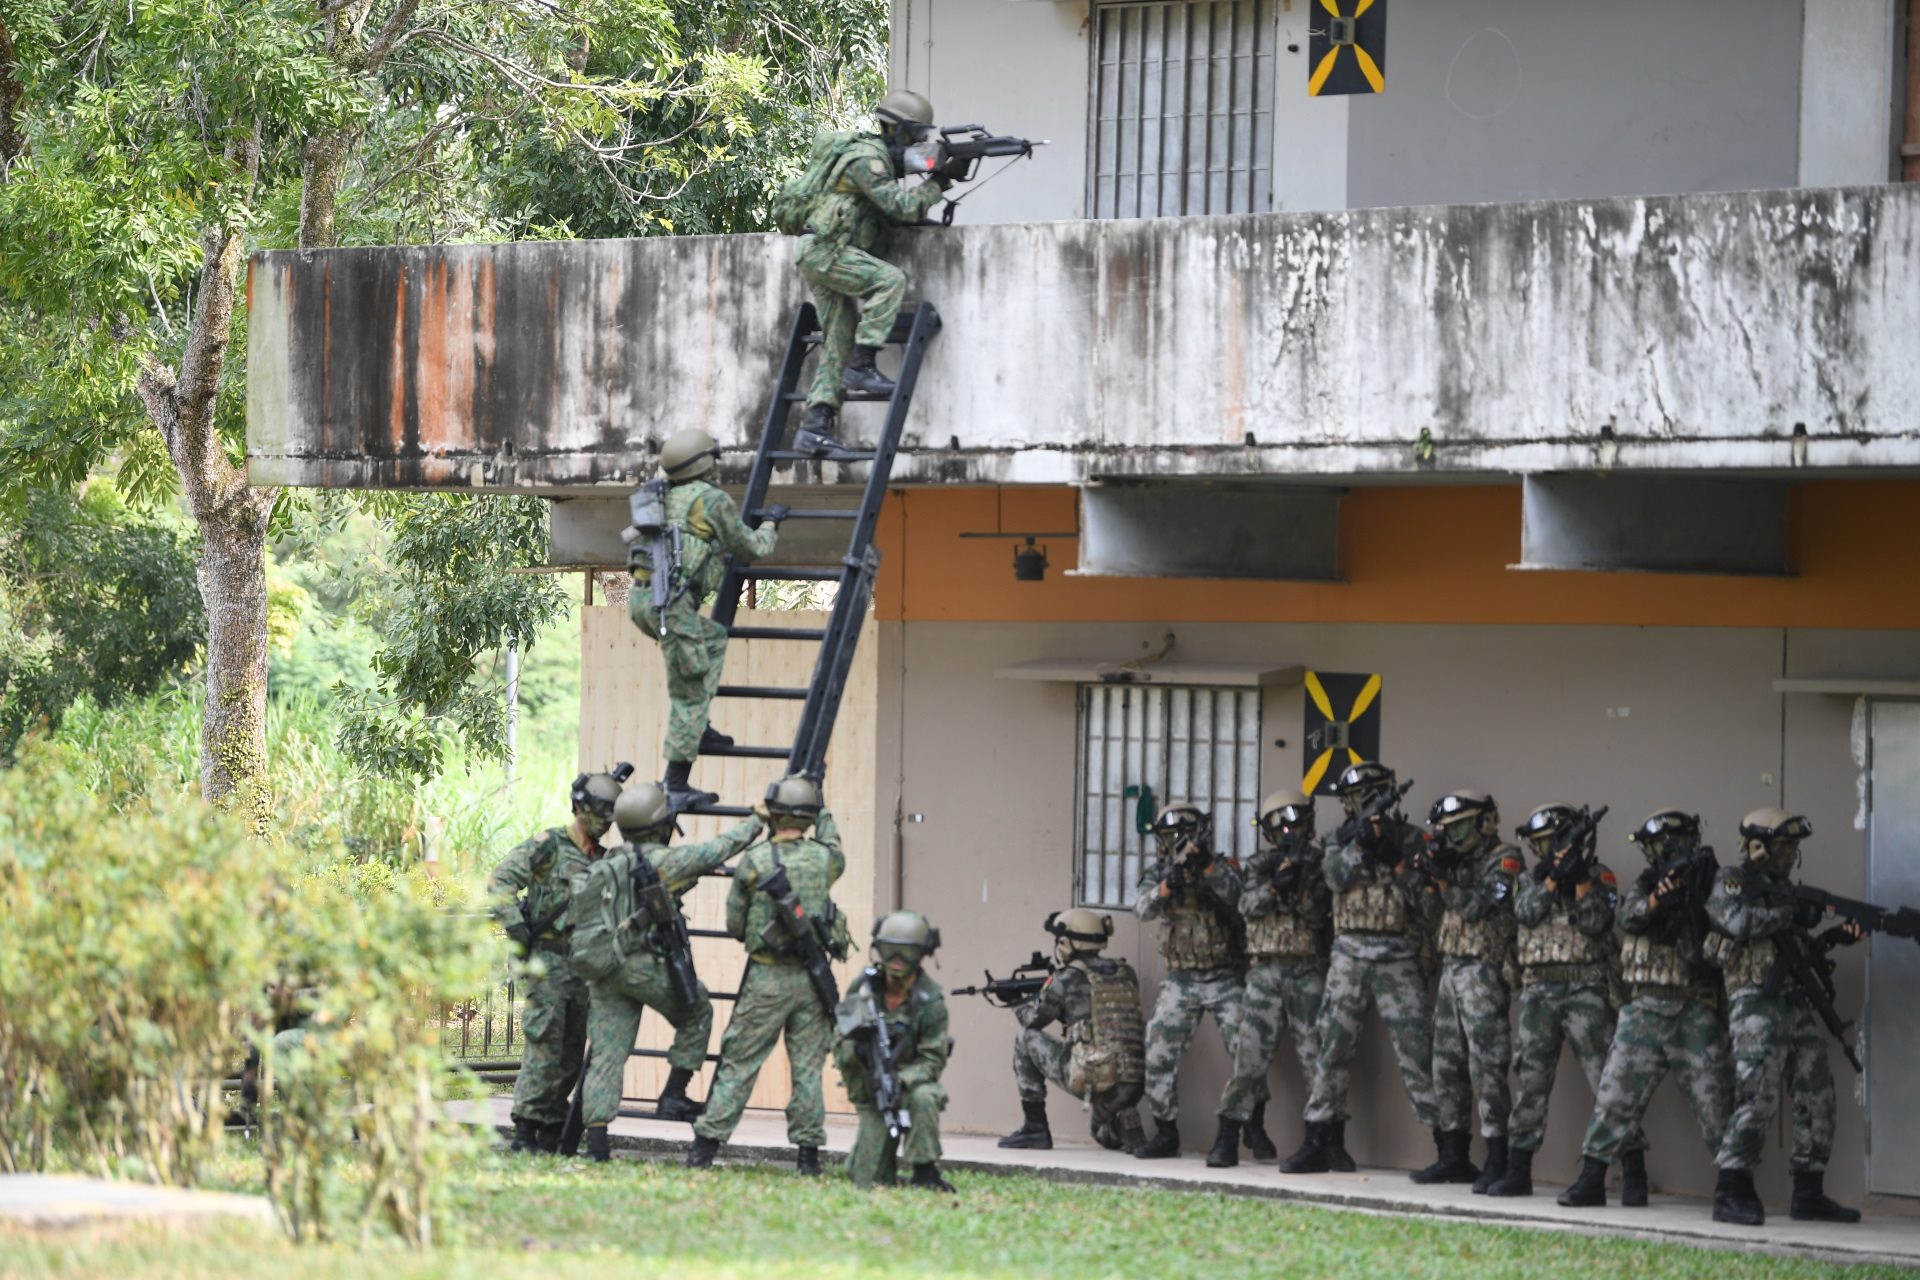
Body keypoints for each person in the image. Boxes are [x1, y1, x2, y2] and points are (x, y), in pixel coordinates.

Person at [567, 783, 765, 1162]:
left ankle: (597, 1144)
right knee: (697, 1010)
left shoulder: (608, 862)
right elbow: (718, 849)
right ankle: (674, 1094)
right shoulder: (663, 861)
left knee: (607, 1054)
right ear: (660, 825)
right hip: (642, 965)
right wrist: (756, 821)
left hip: (604, 967)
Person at [1561, 808, 1731, 1208]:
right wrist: (1658, 901)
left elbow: (1721, 929)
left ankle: (1732, 1186)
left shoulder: (1713, 881)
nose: (1658, 853)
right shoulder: (1645, 883)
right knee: (1613, 1097)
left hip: (1692, 1009)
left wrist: (1692, 901)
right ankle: (1592, 1178)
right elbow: (1628, 916)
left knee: (1716, 1104)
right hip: (1644, 1009)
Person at [1704, 808, 1864, 1226]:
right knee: (1757, 1096)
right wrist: (1790, 912)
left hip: (1794, 1003)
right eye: (1784, 846)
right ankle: (1730, 1190)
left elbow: (1793, 950)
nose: (1791, 854)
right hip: (1755, 1004)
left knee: (1818, 1094)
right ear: (1758, 846)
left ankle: (1808, 1192)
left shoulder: (1784, 891)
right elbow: (1735, 920)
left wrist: (1834, 936)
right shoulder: (1732, 881)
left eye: (1794, 847)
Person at [1284, 762, 1441, 1176]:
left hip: (1398, 952)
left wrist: (1394, 858)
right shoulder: (1337, 839)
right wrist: (1359, 845)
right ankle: (1318, 1139)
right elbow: (1334, 879)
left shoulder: (1410, 839)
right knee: (1332, 1048)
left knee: (1417, 1050)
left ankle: (1448, 1146)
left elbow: (1429, 903)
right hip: (1349, 953)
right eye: (1356, 798)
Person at [688, 776, 850, 1173]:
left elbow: (734, 924)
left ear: (774, 815)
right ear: (809, 817)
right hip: (812, 980)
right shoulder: (825, 861)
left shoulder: (756, 861)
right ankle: (808, 1157)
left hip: (766, 977)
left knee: (739, 1063)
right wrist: (821, 806)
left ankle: (704, 1151)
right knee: (808, 1069)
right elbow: (833, 843)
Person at [627, 426, 787, 811]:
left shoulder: (663, 496)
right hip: (672, 607)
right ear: (703, 465)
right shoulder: (710, 499)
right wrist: (772, 524)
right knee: (691, 691)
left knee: (713, 637)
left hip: (644, 601)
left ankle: (698, 729)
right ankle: (675, 785)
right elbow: (752, 548)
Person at [1487, 803, 1640, 1197]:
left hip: (1586, 988)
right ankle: (1518, 1168)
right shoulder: (1528, 880)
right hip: (1539, 992)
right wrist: (1554, 878)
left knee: (1607, 1081)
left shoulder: (1599, 877)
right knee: (1531, 1080)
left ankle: (1633, 1169)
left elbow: (1597, 923)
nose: (1544, 850)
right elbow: (1525, 912)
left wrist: (1581, 880)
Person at [789, 90, 950, 459]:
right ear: (898, 130)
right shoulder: (868, 159)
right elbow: (900, 205)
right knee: (890, 280)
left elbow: (887, 213)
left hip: (821, 250)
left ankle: (814, 428)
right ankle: (861, 364)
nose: (917, 144)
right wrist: (938, 184)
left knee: (837, 338)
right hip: (827, 251)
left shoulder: (872, 157)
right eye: (915, 136)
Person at [489, 768, 626, 1154]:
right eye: (598, 814)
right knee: (544, 1043)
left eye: (609, 816)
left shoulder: (604, 860)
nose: (604, 823)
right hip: (547, 961)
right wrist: (517, 930)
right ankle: (526, 1128)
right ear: (580, 808)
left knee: (571, 1048)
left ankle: (551, 1127)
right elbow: (499, 882)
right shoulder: (549, 845)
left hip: (583, 966)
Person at [1215, 789, 1331, 1169]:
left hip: (1306, 969)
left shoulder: (1320, 863)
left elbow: (1320, 917)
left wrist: (1301, 887)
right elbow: (1245, 907)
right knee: (1248, 1057)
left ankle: (1322, 1140)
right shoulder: (1257, 865)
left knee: (1315, 1058)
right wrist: (1274, 885)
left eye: (1295, 822)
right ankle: (1228, 1135)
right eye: (1280, 825)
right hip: (1264, 971)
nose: (1289, 831)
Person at [1418, 790, 1521, 1191]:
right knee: (1445, 1066)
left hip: (1483, 969)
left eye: (1460, 826)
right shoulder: (1455, 861)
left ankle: (1497, 1157)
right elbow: (1431, 913)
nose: (1454, 834)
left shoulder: (1504, 858)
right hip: (1451, 967)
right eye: (1449, 827)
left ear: (1484, 822)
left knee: (1486, 1065)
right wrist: (1430, 879)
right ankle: (1454, 1155)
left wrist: (1446, 880)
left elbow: (1479, 907)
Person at [1131, 803, 1247, 1160]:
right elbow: (1142, 909)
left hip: (1225, 976)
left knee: (1248, 1050)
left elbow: (1241, 899)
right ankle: (1166, 1133)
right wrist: (1168, 885)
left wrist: (1207, 867)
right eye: (1172, 836)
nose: (1180, 842)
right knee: (1158, 1051)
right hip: (1182, 980)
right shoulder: (1158, 873)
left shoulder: (1223, 866)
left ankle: (1234, 1131)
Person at [996, 909, 1149, 1154]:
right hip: (1133, 1081)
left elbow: (1033, 1021)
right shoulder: (1126, 973)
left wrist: (1016, 1001)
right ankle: (1121, 1120)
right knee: (1101, 1133)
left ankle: (1035, 1128)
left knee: (1025, 1038)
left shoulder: (1066, 979)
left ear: (1068, 943)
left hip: (1096, 1077)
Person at [833, 910, 955, 1190]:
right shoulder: (864, 986)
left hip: (912, 1085)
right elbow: (840, 1035)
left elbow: (933, 1059)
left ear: (921, 954)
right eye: (889, 950)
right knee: (866, 1179)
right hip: (871, 1086)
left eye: (907, 952)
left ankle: (925, 1172)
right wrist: (855, 1052)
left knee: (925, 1098)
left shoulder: (930, 1000)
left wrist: (901, 1080)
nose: (897, 960)